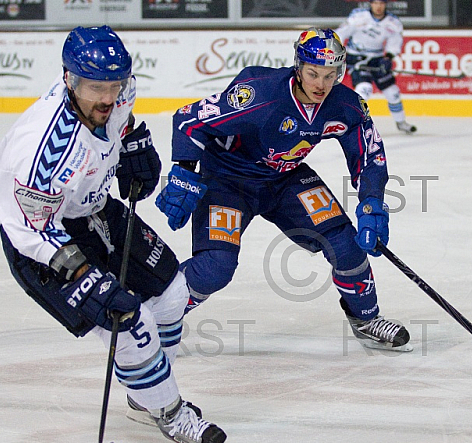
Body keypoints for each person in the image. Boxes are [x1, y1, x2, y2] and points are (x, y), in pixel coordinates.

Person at [0, 26, 229, 443]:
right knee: (129, 322)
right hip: (46, 240)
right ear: (68, 79)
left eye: (114, 86)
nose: (107, 97)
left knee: (172, 293)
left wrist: (133, 142)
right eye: (95, 87)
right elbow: (28, 228)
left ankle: (146, 391)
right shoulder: (39, 151)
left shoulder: (119, 93)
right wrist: (83, 272)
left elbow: (121, 121)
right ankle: (170, 412)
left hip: (96, 210)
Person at [156, 28, 411, 352]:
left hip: (284, 179)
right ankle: (156, 317)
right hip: (227, 181)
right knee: (215, 268)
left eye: (331, 75)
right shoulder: (260, 94)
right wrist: (183, 172)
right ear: (298, 66)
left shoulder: (345, 106)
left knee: (346, 244)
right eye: (313, 73)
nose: (321, 83)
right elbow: (189, 121)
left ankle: (366, 319)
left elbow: (369, 154)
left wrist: (372, 200)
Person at [336, 0, 417, 134]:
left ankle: (401, 122)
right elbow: (341, 33)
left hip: (377, 59)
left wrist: (388, 58)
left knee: (393, 92)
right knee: (364, 89)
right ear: (371, 4)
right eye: (375, 3)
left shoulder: (393, 22)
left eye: (381, 3)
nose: (378, 7)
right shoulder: (359, 16)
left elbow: (394, 43)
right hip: (357, 58)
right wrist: (339, 51)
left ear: (385, 4)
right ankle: (353, 122)